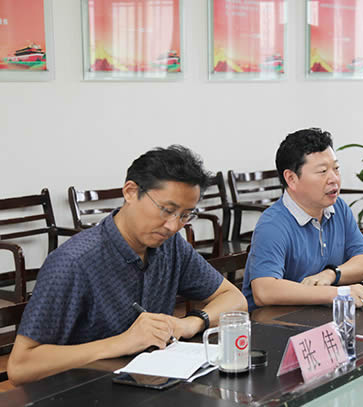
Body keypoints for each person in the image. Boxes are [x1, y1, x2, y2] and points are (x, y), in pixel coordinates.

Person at [8, 145, 247, 385]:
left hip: (146, 384)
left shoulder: (170, 245)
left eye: (185, 215)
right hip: (84, 391)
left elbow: (234, 299)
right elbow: (20, 367)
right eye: (167, 210)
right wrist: (122, 342)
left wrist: (189, 324)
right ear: (131, 192)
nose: (173, 226)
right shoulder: (74, 262)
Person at [243, 128, 363, 311]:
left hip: (319, 315)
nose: (334, 179)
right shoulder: (272, 224)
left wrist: (331, 274)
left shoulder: (338, 208)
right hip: (276, 320)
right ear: (291, 179)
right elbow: (264, 290)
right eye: (322, 171)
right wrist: (336, 294)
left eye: (336, 169)